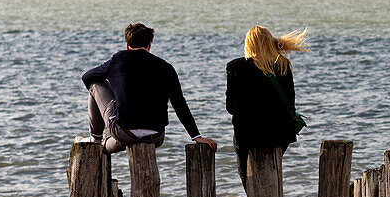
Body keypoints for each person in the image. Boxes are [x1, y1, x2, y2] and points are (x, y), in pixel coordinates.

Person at [83, 23, 217, 154]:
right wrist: (196, 136)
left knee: (95, 84)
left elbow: (87, 77)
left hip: (124, 133)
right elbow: (179, 104)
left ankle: (95, 139)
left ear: (127, 45)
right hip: (156, 137)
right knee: (132, 137)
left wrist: (116, 90)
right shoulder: (166, 67)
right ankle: (104, 144)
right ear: (149, 45)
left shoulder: (119, 59)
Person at [226, 26, 308, 186]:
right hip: (278, 136)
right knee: (270, 177)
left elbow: (230, 107)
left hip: (247, 137)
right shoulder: (283, 65)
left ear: (248, 44)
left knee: (249, 180)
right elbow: (290, 103)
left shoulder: (235, 66)